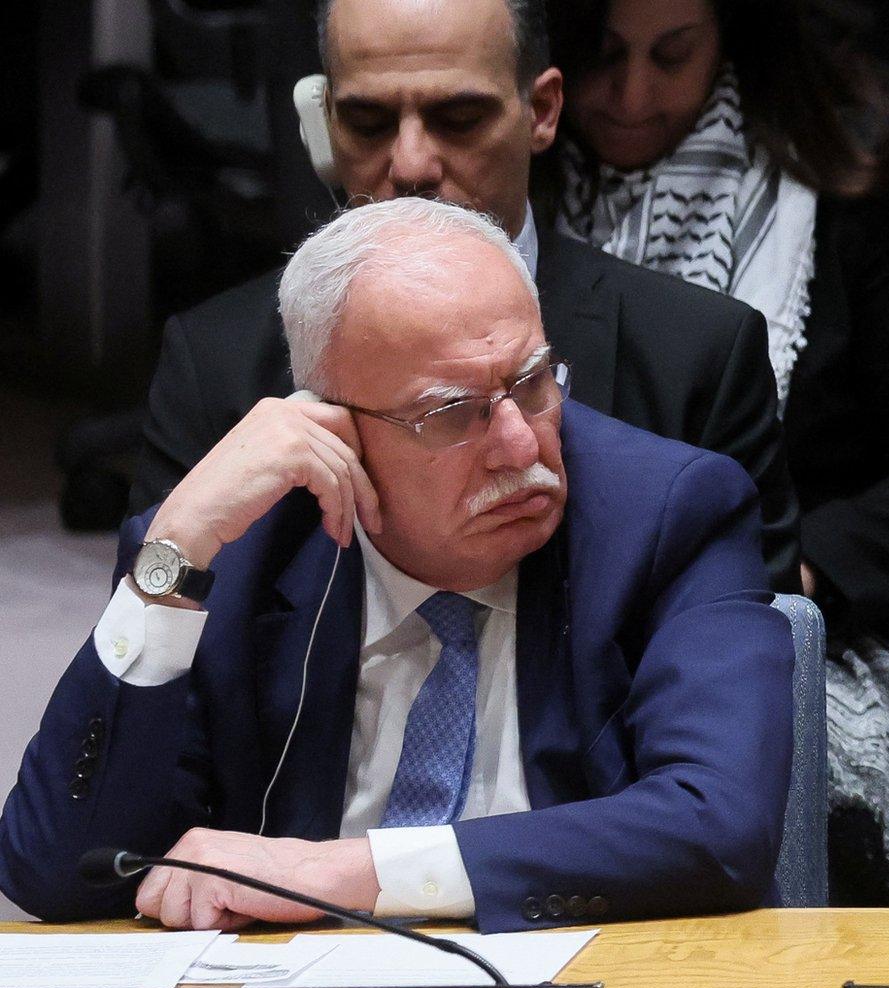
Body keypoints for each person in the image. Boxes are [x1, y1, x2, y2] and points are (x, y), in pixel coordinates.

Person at [1, 198, 793, 934]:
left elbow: (716, 823)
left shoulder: (667, 513)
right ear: (336, 430)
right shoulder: (240, 553)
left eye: (534, 381)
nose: (522, 445)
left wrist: (336, 872)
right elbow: (58, 873)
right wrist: (169, 553)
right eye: (452, 414)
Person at [544, 0, 889, 905]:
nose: (633, 94)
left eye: (671, 55)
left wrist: (794, 573)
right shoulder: (504, 180)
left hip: (797, 620)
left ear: (730, 39)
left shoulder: (843, 176)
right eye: (600, 58)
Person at [131, 0, 801, 590]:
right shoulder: (213, 363)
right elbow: (146, 699)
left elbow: (746, 668)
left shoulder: (695, 356)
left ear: (541, 111)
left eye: (458, 118)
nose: (412, 164)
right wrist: (171, 550)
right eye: (367, 121)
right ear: (322, 121)